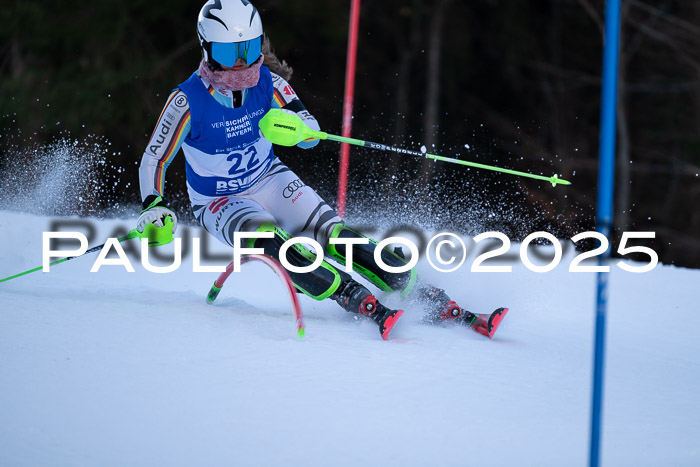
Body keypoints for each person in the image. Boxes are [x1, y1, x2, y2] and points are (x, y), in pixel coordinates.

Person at [136, 0, 495, 340]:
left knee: (334, 234)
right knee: (273, 243)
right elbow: (155, 158)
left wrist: (300, 131)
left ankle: (427, 294)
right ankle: (355, 298)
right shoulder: (186, 100)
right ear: (207, 49)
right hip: (219, 199)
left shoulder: (270, 84)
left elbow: (309, 128)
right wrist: (154, 205)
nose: (241, 64)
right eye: (230, 54)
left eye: (248, 49)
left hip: (269, 178)